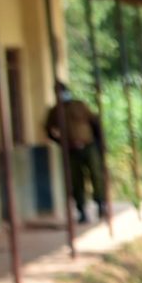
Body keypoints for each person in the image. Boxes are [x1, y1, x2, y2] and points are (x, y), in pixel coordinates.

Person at [43, 83, 105, 224]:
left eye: (62, 91)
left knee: (96, 175)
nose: (61, 95)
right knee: (76, 181)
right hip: (71, 150)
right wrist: (61, 142)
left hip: (88, 147)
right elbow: (48, 130)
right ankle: (81, 210)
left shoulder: (80, 105)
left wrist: (99, 144)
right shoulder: (55, 111)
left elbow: (95, 123)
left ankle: (100, 204)